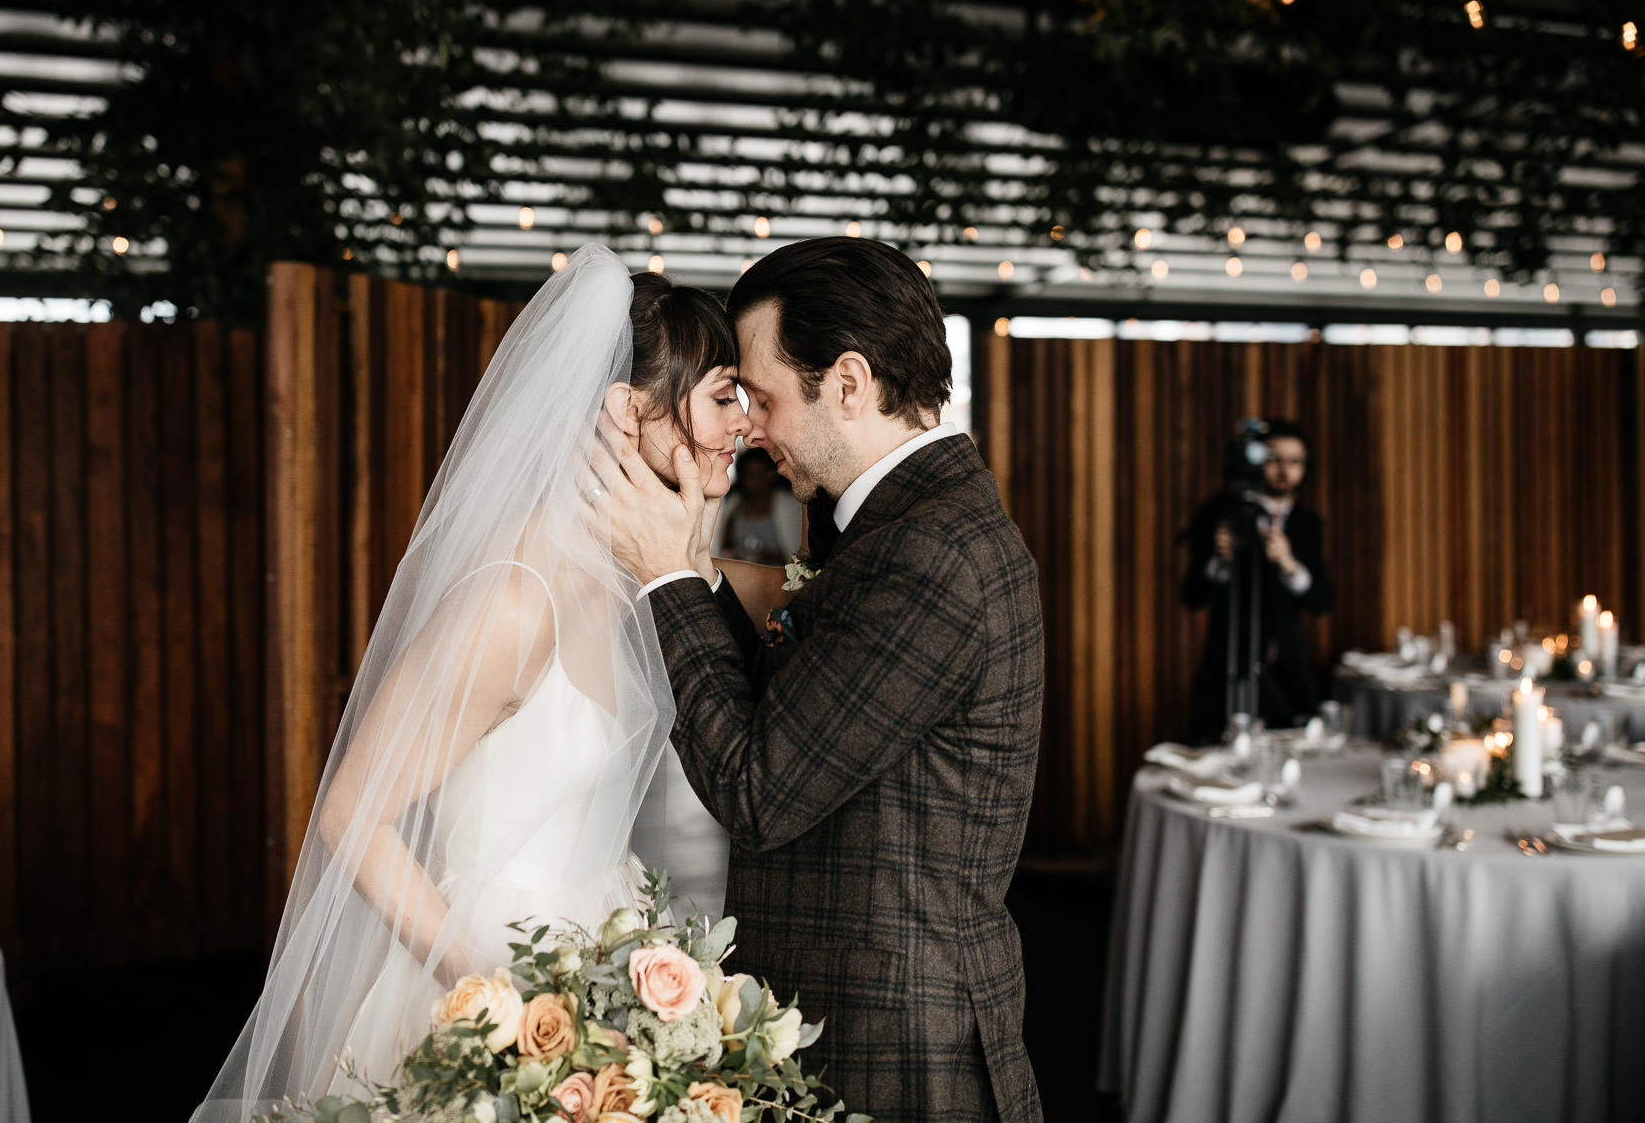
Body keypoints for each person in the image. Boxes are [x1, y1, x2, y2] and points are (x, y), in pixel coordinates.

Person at [195, 247, 744, 1120]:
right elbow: (350, 814)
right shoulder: (515, 599)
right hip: (487, 991)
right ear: (625, 411)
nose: (742, 423)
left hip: (607, 977)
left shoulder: (628, 579)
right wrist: (501, 997)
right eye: (723, 395)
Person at [602, 236, 1046, 1123]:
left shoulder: (928, 550)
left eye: (761, 397)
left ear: (848, 384)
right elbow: (795, 711)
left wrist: (665, 578)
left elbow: (758, 788)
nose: (749, 426)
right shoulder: (898, 522)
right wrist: (694, 562)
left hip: (897, 1052)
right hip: (864, 1015)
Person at [1179, 418, 1334, 738]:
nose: (1283, 470)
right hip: (1225, 665)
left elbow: (1322, 600)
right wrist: (1219, 560)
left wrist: (1290, 564)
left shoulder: (1307, 524)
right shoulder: (1220, 514)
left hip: (1286, 670)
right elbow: (1191, 595)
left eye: (1294, 462)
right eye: (1274, 459)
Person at [713, 446, 804, 565]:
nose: (754, 480)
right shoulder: (735, 503)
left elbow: (797, 550)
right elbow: (723, 543)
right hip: (741, 575)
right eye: (749, 474)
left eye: (759, 473)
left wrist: (766, 556)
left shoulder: (788, 504)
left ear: (771, 473)